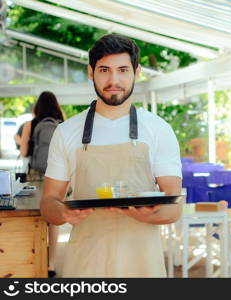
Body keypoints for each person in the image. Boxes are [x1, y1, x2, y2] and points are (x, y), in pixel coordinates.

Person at [40, 34, 182, 277]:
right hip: (85, 263)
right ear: (90, 72)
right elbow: (49, 202)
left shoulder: (159, 129)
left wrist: (153, 214)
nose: (113, 80)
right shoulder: (66, 132)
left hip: (142, 264)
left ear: (137, 72)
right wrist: (62, 213)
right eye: (104, 70)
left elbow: (174, 205)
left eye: (123, 70)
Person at [19, 91, 64, 278]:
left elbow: (23, 152)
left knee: (36, 219)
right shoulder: (62, 125)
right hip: (58, 177)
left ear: (37, 106)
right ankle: (51, 265)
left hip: (35, 177)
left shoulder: (31, 124)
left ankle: (35, 262)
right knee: (54, 221)